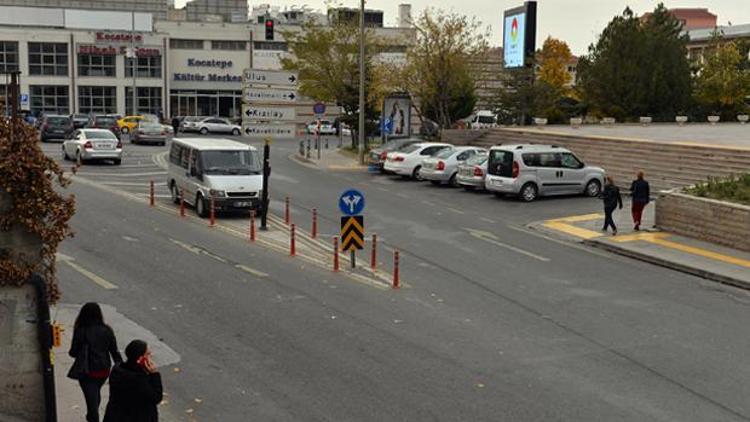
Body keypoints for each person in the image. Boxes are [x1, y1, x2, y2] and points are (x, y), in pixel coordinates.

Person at [68, 303, 123, 422]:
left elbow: (73, 352)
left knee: (91, 399)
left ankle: (93, 417)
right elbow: (114, 351)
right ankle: (92, 414)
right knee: (95, 392)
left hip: (86, 371)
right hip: (103, 370)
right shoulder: (107, 330)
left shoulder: (80, 331)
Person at [103, 340, 163, 422]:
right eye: (148, 354)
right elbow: (156, 397)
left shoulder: (117, 371)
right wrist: (154, 374)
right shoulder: (138, 379)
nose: (151, 356)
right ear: (140, 359)